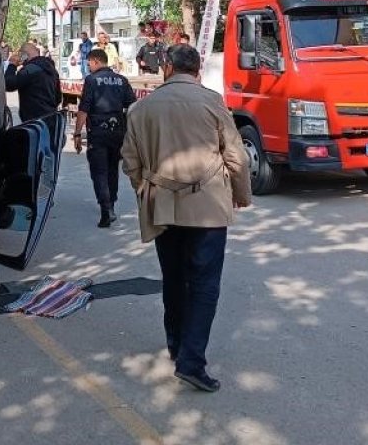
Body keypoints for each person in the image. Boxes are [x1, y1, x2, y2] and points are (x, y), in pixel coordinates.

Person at [121, 44, 252, 393]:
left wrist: (147, 191)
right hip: (208, 207)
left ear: (166, 66)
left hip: (163, 206)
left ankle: (177, 346)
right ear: (197, 70)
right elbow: (237, 157)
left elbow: (130, 163)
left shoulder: (141, 107)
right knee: (205, 285)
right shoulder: (212, 102)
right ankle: (192, 361)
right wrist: (240, 195)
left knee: (174, 279)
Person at [73, 49, 137, 227]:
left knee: (99, 171)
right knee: (112, 169)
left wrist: (77, 133)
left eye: (89, 64)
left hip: (98, 132)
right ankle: (112, 206)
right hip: (117, 132)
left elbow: (84, 109)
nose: (88, 67)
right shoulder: (121, 80)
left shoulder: (91, 80)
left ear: (95, 61)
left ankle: (106, 209)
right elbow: (132, 106)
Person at [5, 42, 61, 121]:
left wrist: (12, 65)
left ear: (24, 56)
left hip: (35, 122)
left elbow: (9, 84)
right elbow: (58, 97)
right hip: (51, 118)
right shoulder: (51, 69)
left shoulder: (29, 70)